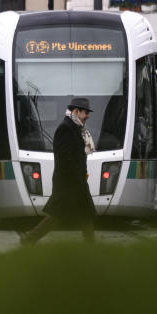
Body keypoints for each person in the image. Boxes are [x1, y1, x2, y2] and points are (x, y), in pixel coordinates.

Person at [20, 97, 96, 245]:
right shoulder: (66, 128)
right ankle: (29, 239)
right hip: (69, 182)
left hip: (76, 181)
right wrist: (77, 178)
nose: (87, 116)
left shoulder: (75, 127)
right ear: (76, 111)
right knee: (57, 216)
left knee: (86, 214)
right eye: (85, 112)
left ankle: (91, 246)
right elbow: (65, 158)